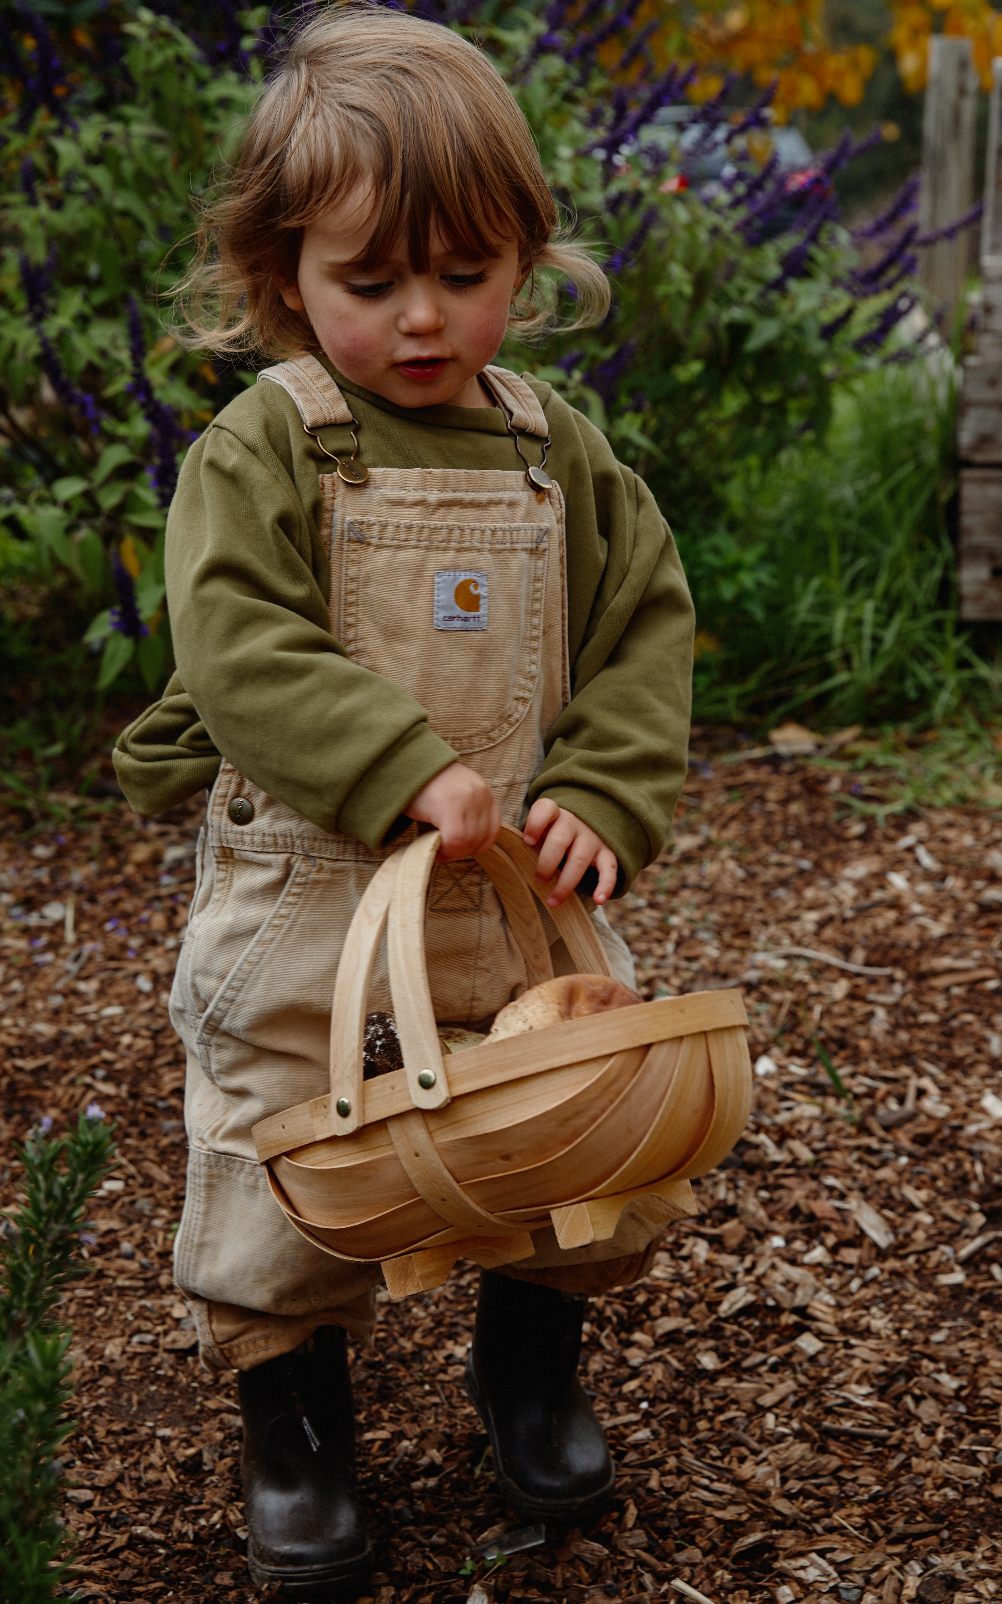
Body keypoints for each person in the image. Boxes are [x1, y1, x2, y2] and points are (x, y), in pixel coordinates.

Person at [114, 6, 694, 1595]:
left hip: (514, 886)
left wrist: (602, 784)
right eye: (371, 286)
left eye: (469, 275)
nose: (425, 321)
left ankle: (527, 1375)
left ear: (525, 260)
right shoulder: (263, 448)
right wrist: (391, 765)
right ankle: (293, 1426)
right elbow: (237, 642)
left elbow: (644, 617)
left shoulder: (549, 450)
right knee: (278, 1150)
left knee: (575, 1128)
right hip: (314, 890)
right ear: (280, 278)